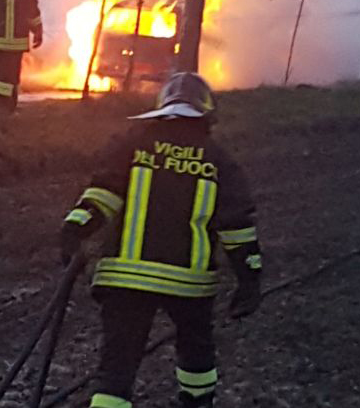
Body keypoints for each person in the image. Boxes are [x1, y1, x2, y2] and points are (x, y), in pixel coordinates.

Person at [60, 72, 263, 408]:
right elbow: (236, 225)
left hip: (125, 278)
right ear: (207, 113)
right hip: (189, 283)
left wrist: (74, 229)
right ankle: (197, 403)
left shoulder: (133, 144)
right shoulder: (218, 159)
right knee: (196, 353)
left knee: (117, 367)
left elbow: (103, 193)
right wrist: (249, 277)